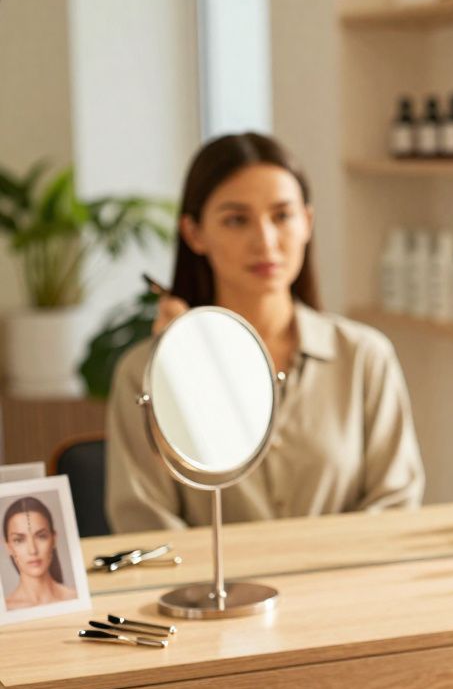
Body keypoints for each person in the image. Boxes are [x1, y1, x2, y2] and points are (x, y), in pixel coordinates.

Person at [106, 132, 425, 532]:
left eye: (282, 216)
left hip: (348, 590)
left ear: (307, 222)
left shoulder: (364, 357)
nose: (266, 241)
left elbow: (395, 504)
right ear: (194, 234)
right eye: (237, 220)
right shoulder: (145, 373)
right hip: (211, 594)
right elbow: (147, 525)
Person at [3, 496, 76, 609]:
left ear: (54, 539)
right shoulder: (5, 610)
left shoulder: (75, 598)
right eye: (19, 540)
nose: (33, 550)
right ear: (9, 547)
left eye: (41, 537)